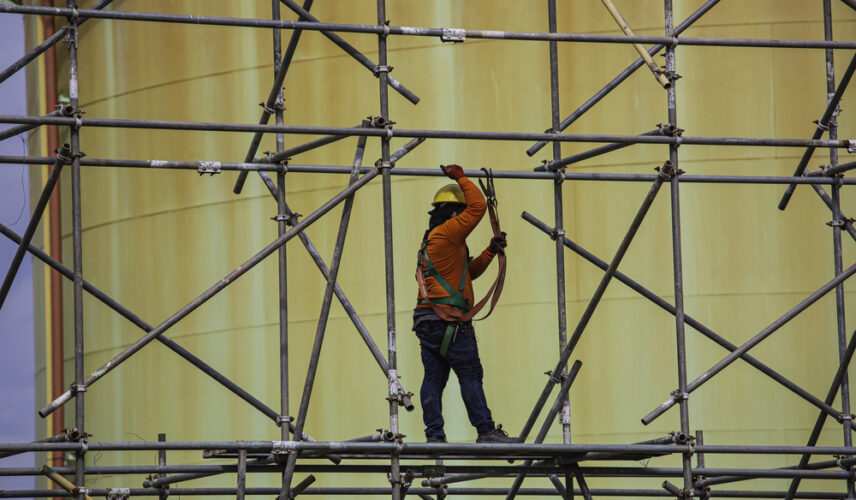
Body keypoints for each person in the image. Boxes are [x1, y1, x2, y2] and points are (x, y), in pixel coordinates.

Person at [413, 163, 516, 444]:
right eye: (461, 213)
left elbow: (467, 274)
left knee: (433, 379)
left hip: (428, 320)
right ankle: (486, 431)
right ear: (454, 214)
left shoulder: (435, 240)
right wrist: (460, 177)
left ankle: (434, 436)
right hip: (450, 320)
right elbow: (478, 207)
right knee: (470, 375)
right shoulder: (448, 232)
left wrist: (490, 251)